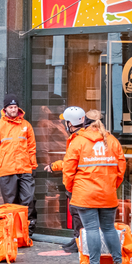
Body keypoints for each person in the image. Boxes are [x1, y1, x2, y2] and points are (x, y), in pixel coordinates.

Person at [61, 107, 127, 264]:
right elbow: (121, 168)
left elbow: (68, 170)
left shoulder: (78, 141)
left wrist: (71, 189)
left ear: (84, 123)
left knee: (91, 229)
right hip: (108, 193)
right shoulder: (112, 141)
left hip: (85, 194)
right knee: (109, 228)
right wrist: (112, 186)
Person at [0, 93, 38, 235]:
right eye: (11, 107)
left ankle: (27, 229)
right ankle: (13, 231)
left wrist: (33, 166)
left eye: (15, 107)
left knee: (28, 199)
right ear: (5, 109)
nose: (14, 110)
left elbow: (32, 148)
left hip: (25, 169)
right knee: (10, 203)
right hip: (7, 170)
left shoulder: (26, 126)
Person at [43, 107, 90, 252]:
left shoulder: (78, 140)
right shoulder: (82, 137)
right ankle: (77, 239)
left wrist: (68, 186)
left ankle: (80, 242)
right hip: (83, 181)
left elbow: (70, 165)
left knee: (78, 213)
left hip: (78, 182)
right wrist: (55, 165)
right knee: (77, 214)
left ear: (70, 123)